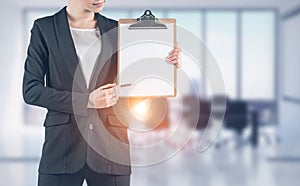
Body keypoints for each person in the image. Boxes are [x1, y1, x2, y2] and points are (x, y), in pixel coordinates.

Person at [22, 0, 182, 185]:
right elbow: (31, 90)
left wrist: (165, 67)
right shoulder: (45, 28)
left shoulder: (119, 30)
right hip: (62, 149)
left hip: (111, 148)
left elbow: (131, 89)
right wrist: (86, 101)